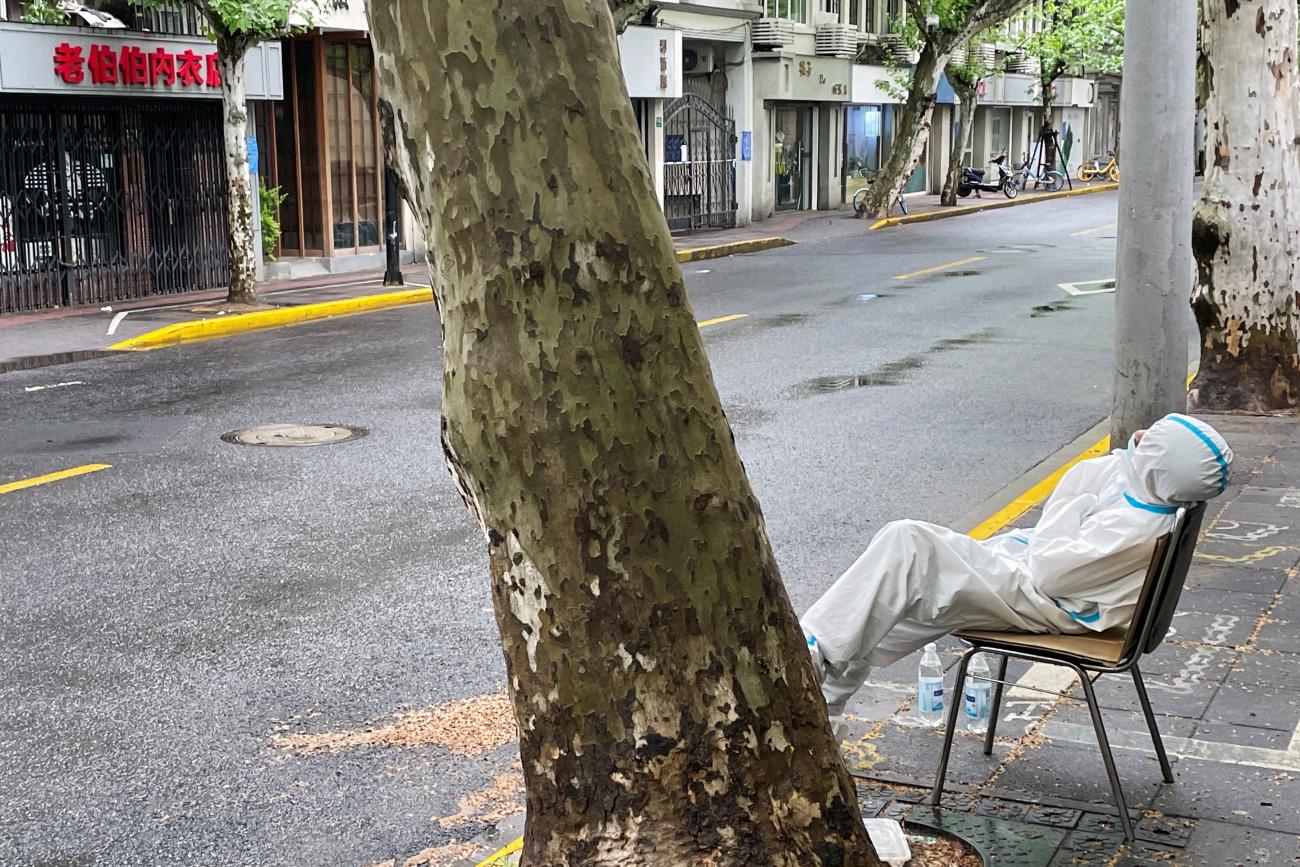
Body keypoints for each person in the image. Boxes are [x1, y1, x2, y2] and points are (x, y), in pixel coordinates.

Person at [801, 413, 1233, 736]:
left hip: (1047, 600)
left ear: (1160, 465)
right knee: (898, 591)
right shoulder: (1152, 499)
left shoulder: (1132, 528)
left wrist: (1075, 504)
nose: (1138, 438)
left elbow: (1050, 570)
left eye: (1150, 441)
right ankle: (825, 693)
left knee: (908, 544)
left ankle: (812, 655)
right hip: (1045, 591)